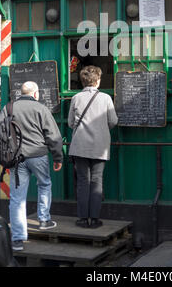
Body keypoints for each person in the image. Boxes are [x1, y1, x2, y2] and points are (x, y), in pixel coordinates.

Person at [0, 81, 63, 251]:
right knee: (44, 184)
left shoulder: (9, 108)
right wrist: (57, 157)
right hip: (38, 156)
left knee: (17, 198)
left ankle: (17, 239)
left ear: (21, 93)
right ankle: (44, 220)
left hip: (16, 158)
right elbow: (53, 136)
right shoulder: (41, 109)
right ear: (35, 93)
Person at [68, 65, 118, 229]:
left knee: (83, 182)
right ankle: (95, 219)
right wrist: (101, 130)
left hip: (79, 146)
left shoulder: (76, 98)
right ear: (97, 81)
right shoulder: (106, 98)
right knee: (97, 181)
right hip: (100, 146)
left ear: (83, 81)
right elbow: (113, 121)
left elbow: (70, 123)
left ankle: (82, 219)